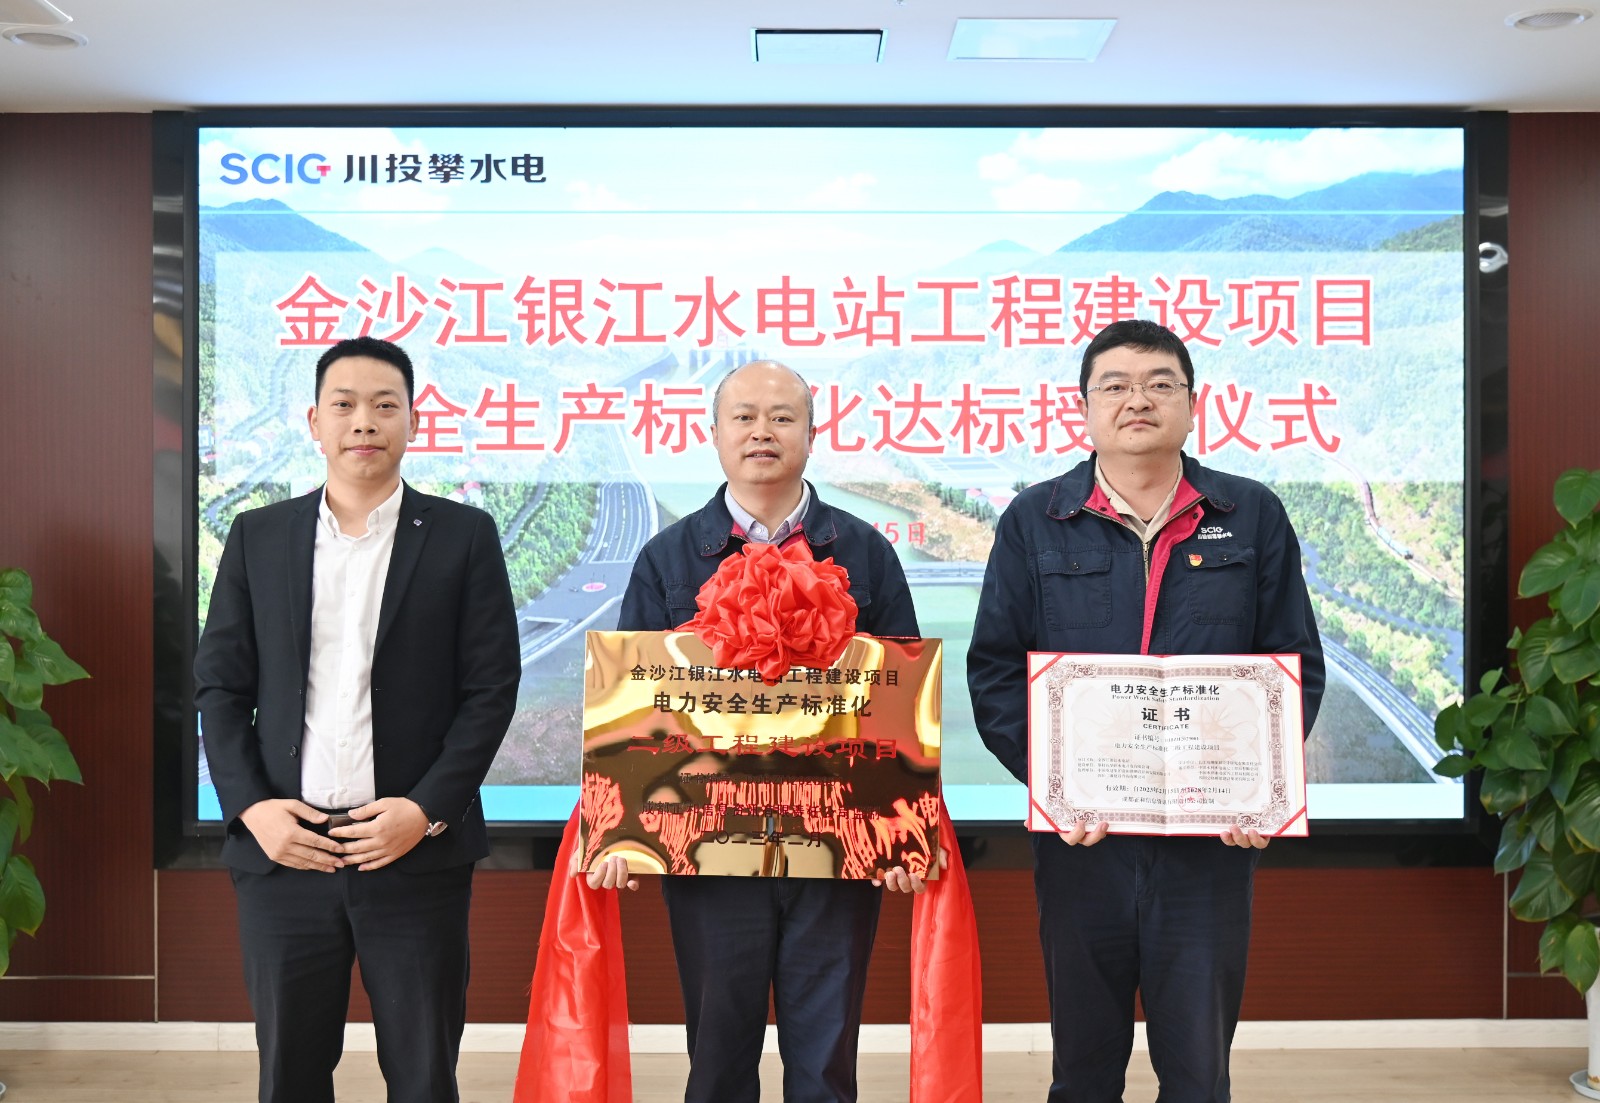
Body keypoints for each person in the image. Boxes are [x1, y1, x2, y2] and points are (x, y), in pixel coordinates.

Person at [967, 319, 1325, 1103]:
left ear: (1193, 404)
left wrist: (1260, 789)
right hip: (1082, 843)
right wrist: (1055, 787)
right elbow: (994, 670)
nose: (1139, 400)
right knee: (1084, 1070)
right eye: (1116, 386)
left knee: (1198, 1074)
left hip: (1209, 846)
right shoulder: (1034, 520)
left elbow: (1293, 664)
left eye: (1161, 383)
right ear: (1084, 407)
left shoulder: (1251, 514)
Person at [194, 336, 522, 1103]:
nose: (363, 421)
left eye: (384, 404)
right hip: (288, 852)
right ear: (315, 422)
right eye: (343, 404)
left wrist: (426, 809)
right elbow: (219, 686)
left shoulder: (464, 535)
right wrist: (254, 810)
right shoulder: (258, 535)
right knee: (291, 1076)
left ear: (413, 420)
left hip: (411, 854)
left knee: (423, 1076)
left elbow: (490, 688)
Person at [594, 359, 924, 1103]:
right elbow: (633, 702)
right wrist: (621, 831)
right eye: (743, 416)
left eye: (781, 416)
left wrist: (900, 835)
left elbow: (899, 697)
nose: (762, 431)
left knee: (826, 1065)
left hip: (835, 846)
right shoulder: (667, 556)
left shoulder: (864, 552)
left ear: (812, 432)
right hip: (711, 845)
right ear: (714, 433)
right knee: (717, 1059)